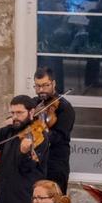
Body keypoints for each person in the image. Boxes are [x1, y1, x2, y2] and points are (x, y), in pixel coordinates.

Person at [32, 67, 75, 195]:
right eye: (37, 86)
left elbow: (59, 137)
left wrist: (41, 130)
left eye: (45, 85)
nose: (41, 90)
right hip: (37, 164)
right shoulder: (34, 104)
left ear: (54, 84)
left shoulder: (64, 108)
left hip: (55, 164)